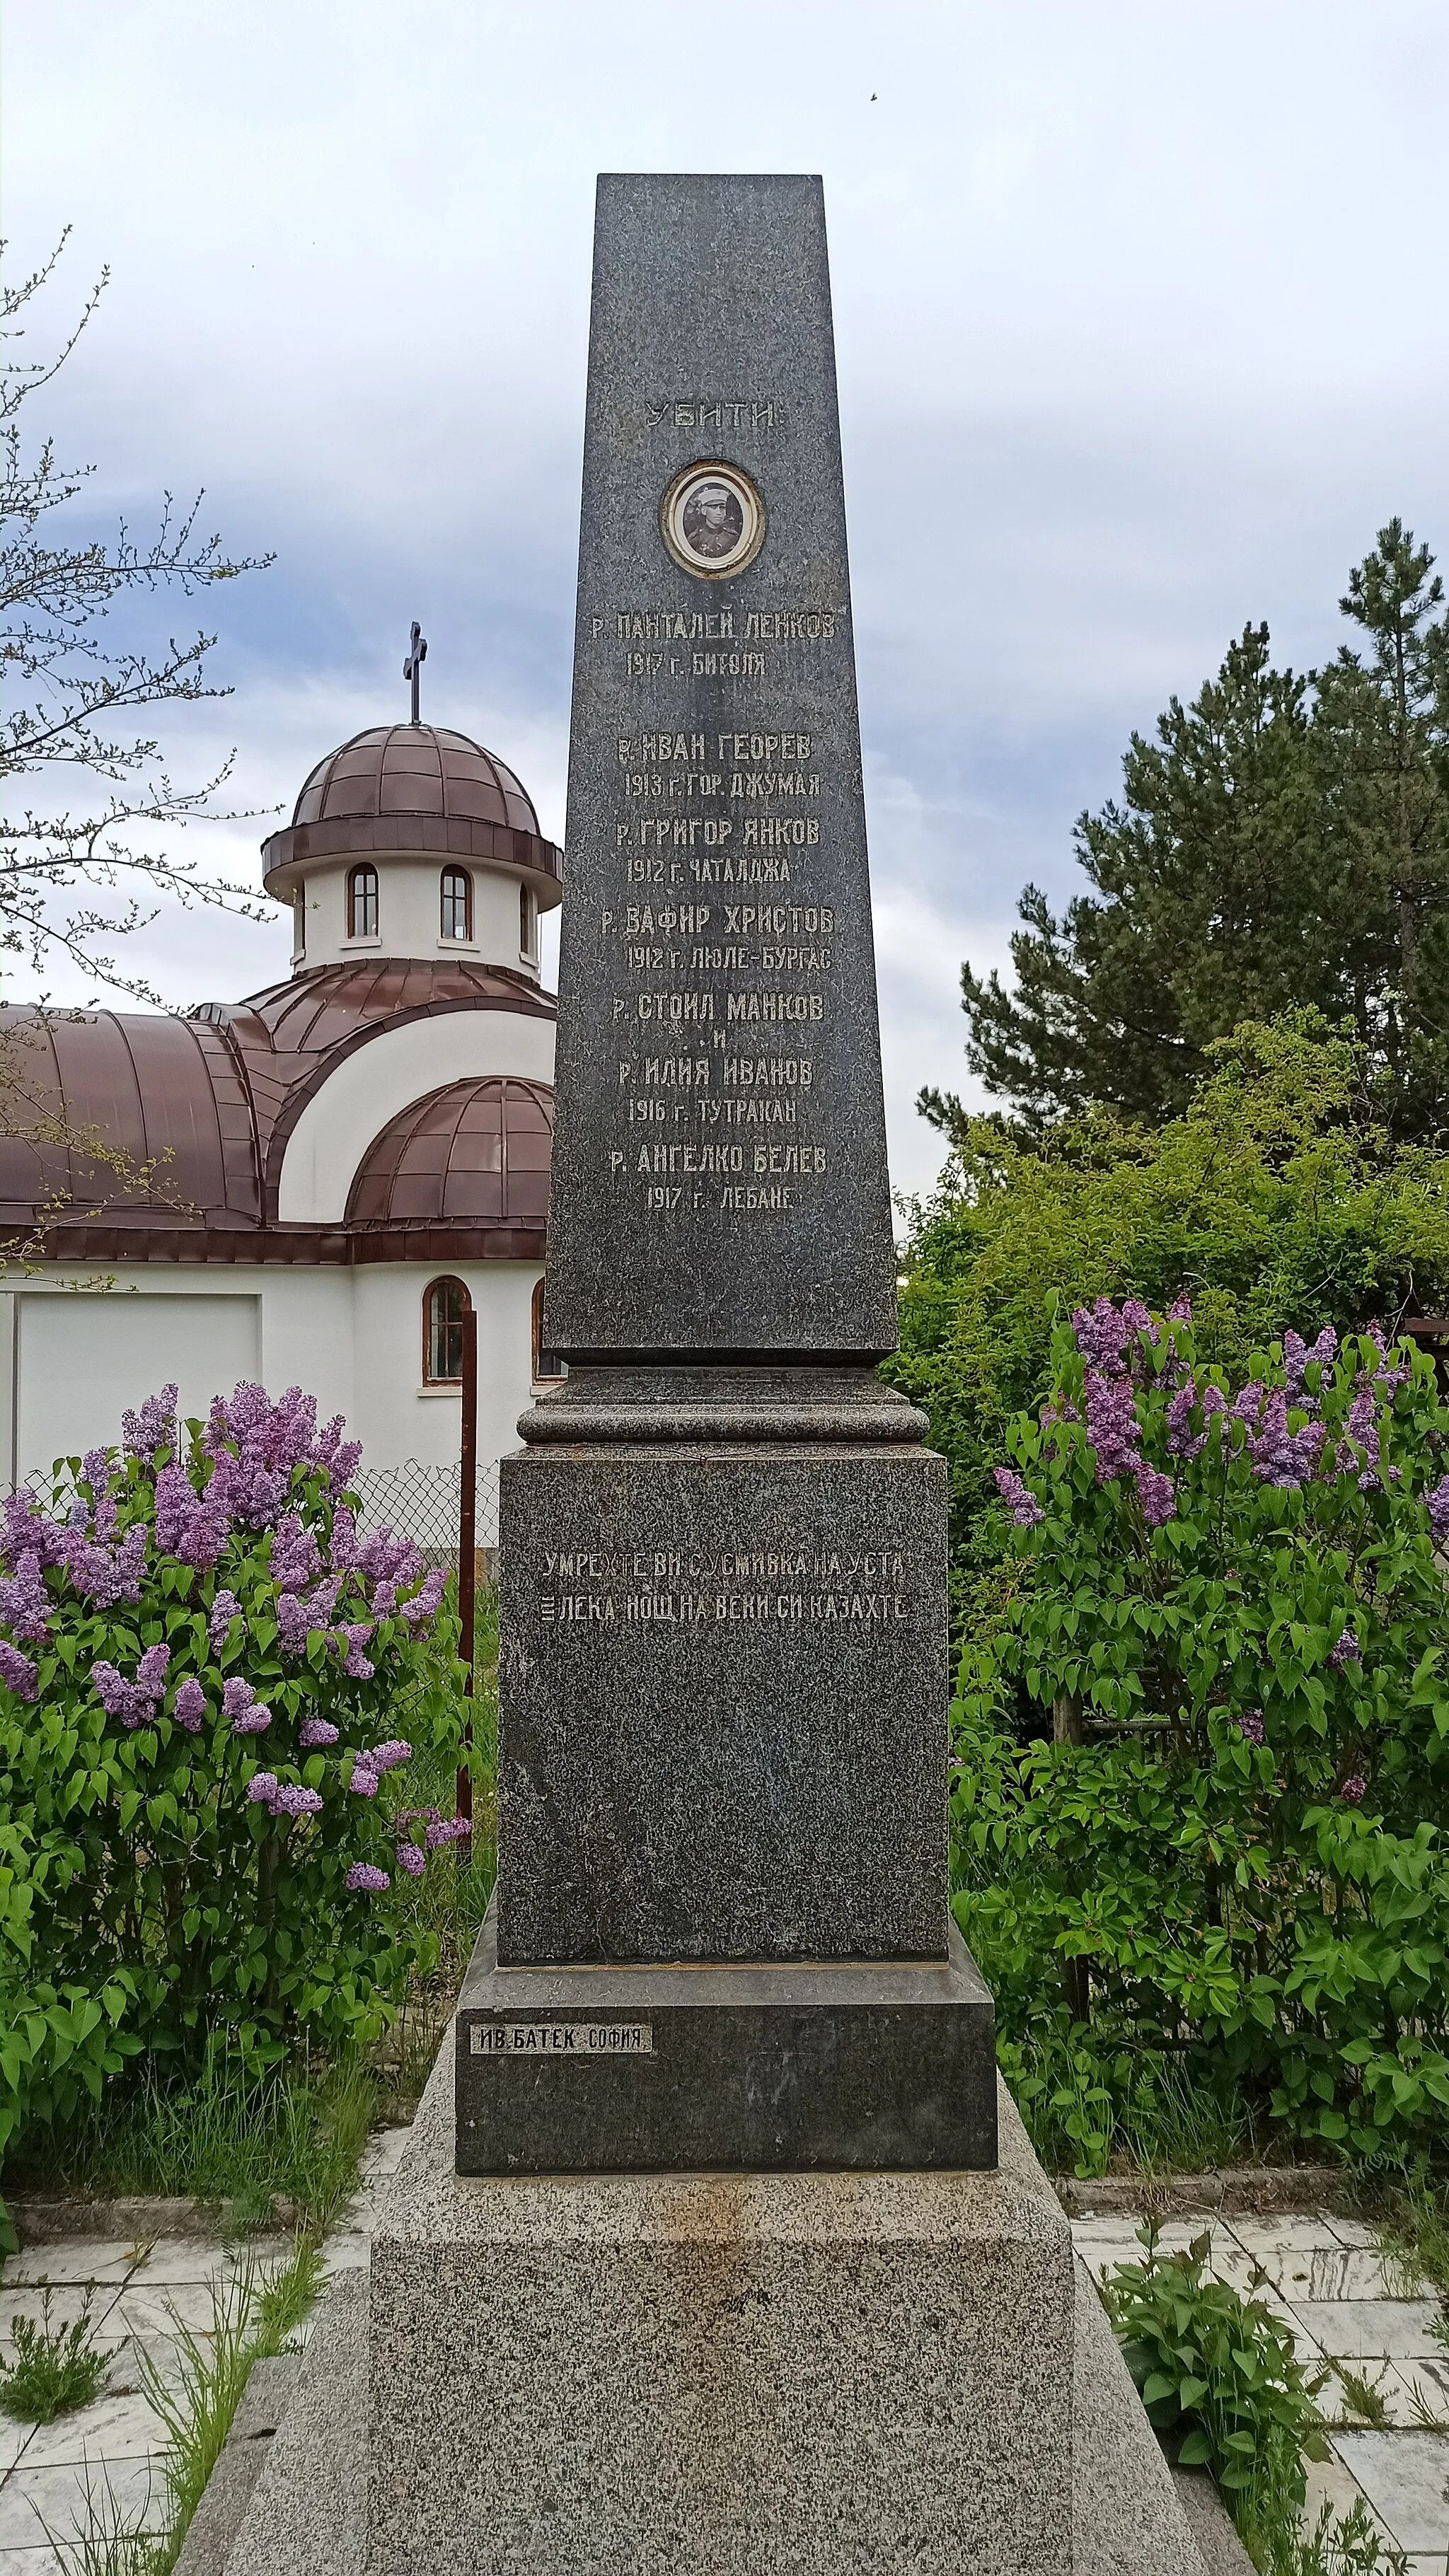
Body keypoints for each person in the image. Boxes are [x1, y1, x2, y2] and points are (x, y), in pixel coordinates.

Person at [681, 478, 743, 560]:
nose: (719, 512)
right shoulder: (695, 539)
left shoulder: (733, 538)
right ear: (704, 511)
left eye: (722, 508)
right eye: (714, 507)